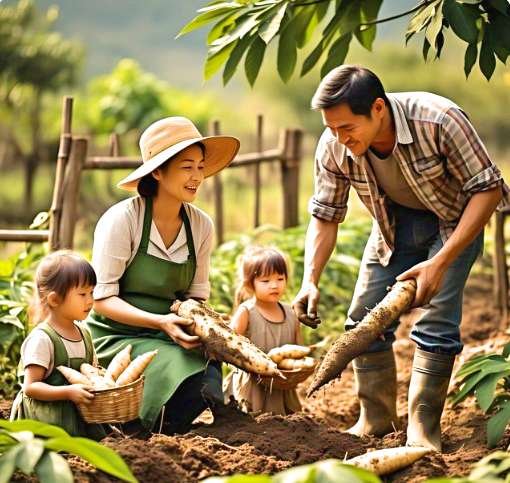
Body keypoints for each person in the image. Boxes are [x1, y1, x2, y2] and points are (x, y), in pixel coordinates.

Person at [292, 65, 508, 451]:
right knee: (362, 320)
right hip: (393, 228)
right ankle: (376, 420)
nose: (340, 139)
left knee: (437, 323)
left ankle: (423, 430)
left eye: (347, 128)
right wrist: (310, 280)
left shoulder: (439, 119)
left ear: (377, 109)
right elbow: (325, 216)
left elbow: (488, 190)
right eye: (332, 128)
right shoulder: (333, 145)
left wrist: (441, 262)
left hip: (455, 224)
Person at [86, 116, 240, 434]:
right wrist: (160, 323)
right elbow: (101, 300)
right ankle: (136, 429)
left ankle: (166, 430)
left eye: (200, 166)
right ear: (158, 171)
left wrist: (206, 327)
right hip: (117, 335)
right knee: (184, 373)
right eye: (186, 167)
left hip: (171, 333)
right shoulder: (123, 220)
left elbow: (196, 295)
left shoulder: (200, 225)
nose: (197, 176)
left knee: (209, 378)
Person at [10, 251, 105, 439]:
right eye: (82, 294)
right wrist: (68, 392)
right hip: (44, 421)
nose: (90, 300)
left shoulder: (84, 333)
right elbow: (31, 387)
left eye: (92, 292)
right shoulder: (42, 339)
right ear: (54, 299)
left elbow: (91, 371)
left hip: (77, 417)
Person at [224, 246, 302, 415]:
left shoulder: (291, 313)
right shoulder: (247, 312)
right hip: (253, 386)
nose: (274, 285)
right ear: (250, 284)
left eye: (280, 279)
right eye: (265, 281)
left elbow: (298, 349)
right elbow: (229, 346)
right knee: (253, 422)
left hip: (282, 385)